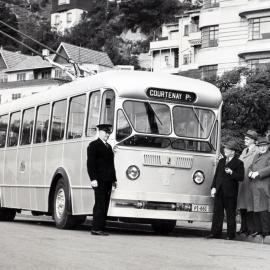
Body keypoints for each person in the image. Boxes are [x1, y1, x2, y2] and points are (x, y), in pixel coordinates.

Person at [206, 140, 244, 240]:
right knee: (217, 213)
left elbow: (241, 177)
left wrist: (232, 172)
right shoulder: (222, 161)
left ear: (233, 151)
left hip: (230, 192)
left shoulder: (239, 163)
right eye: (225, 148)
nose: (225, 150)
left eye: (227, 149)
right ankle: (215, 233)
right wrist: (213, 187)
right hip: (219, 190)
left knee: (230, 214)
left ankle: (230, 234)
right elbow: (216, 175)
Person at [87, 124, 117, 236]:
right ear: (99, 132)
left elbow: (111, 165)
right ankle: (96, 228)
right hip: (99, 180)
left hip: (108, 180)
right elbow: (90, 164)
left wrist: (114, 180)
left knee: (104, 204)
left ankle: (100, 227)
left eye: (108, 133)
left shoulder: (108, 147)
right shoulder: (93, 145)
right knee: (99, 204)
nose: (107, 135)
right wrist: (93, 178)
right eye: (105, 132)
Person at [237, 130, 258, 235]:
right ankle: (243, 227)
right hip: (242, 182)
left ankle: (251, 228)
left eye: (247, 139)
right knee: (242, 206)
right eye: (245, 138)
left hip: (250, 182)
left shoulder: (257, 151)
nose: (245, 140)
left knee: (250, 206)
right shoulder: (244, 151)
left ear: (253, 141)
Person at [248, 136, 270, 237]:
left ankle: (265, 231)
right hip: (255, 185)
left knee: (263, 208)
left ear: (267, 146)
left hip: (264, 185)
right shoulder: (256, 156)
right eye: (260, 146)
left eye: (264, 146)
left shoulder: (269, 155)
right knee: (256, 208)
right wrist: (250, 172)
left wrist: (258, 173)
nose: (262, 148)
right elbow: (250, 166)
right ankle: (258, 230)